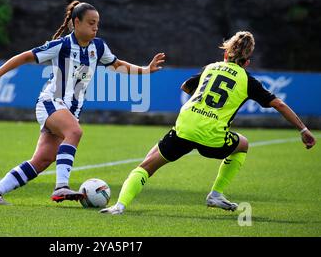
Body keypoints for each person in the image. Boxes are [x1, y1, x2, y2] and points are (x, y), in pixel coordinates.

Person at [100, 31, 316, 215]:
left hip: (185, 128)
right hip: (213, 138)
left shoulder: (211, 68)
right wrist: (303, 129)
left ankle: (119, 206)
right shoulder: (249, 81)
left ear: (225, 54)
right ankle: (216, 193)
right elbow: (279, 104)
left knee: (146, 166)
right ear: (247, 62)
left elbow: (185, 86)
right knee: (243, 143)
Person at [0, 0, 166, 205]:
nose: (95, 27)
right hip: (51, 102)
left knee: (42, 160)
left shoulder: (99, 47)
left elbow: (118, 65)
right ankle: (61, 187)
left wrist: (146, 70)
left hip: (70, 111)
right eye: (91, 23)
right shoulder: (62, 45)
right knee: (75, 132)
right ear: (76, 22)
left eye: (97, 23)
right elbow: (25, 57)